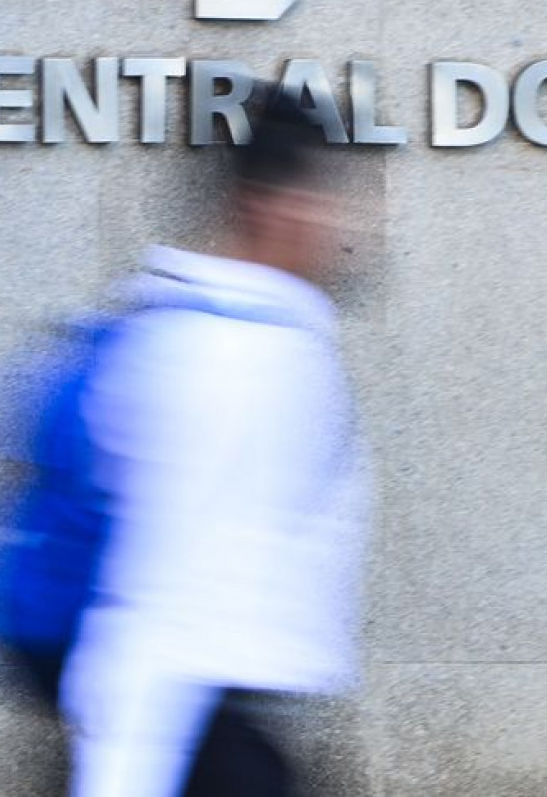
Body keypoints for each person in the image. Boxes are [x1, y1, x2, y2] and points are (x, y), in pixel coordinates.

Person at [58, 87, 372, 797]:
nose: (340, 229)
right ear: (270, 205)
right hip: (185, 729)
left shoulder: (251, 332)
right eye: (324, 202)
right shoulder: (226, 350)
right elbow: (165, 584)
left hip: (217, 720)